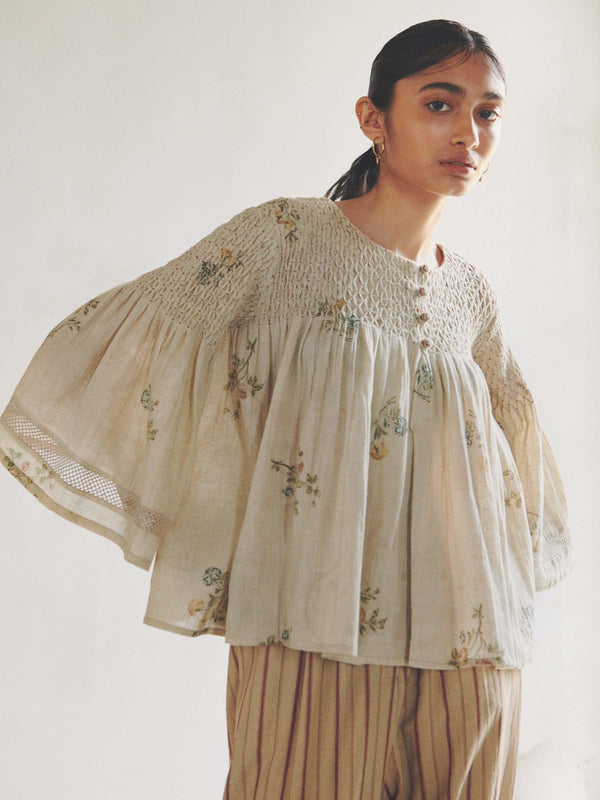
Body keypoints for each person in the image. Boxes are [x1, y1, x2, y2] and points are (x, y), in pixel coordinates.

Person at [0, 18, 572, 800]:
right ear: (373, 118)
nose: (468, 132)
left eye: (488, 113)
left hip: (470, 641)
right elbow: (151, 330)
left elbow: (515, 457)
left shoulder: (472, 295)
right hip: (310, 617)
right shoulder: (285, 240)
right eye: (439, 104)